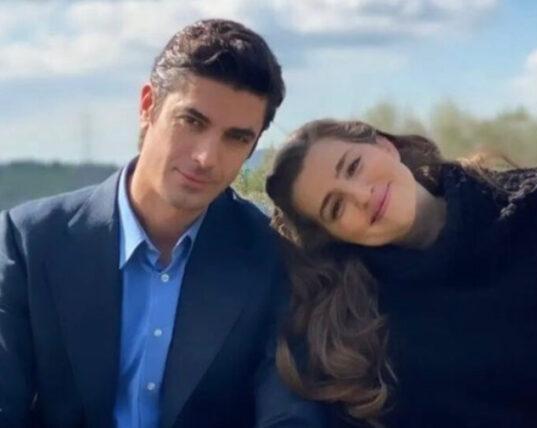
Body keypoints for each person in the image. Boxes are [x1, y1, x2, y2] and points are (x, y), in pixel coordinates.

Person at [0, 19, 329, 428]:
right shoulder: (30, 242)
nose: (206, 157)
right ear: (147, 106)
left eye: (236, 138)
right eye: (192, 121)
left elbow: (290, 415)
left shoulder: (272, 259)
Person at [265, 118, 537, 428]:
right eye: (336, 207)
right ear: (334, 236)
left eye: (353, 167)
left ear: (384, 145)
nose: (362, 196)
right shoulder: (361, 331)